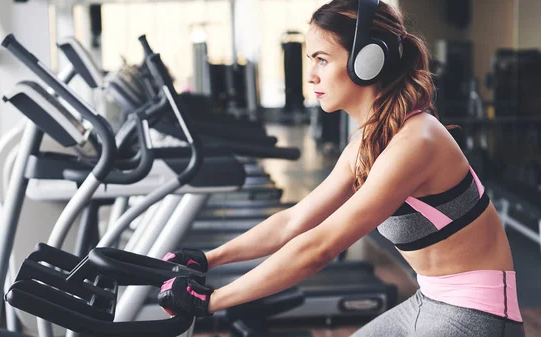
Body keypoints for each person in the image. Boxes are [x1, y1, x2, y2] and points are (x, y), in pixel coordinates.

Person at [157, 0, 525, 336]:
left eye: (322, 59)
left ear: (366, 62)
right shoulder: (368, 142)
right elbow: (293, 221)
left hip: (480, 314)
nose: (311, 76)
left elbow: (319, 247)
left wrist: (210, 301)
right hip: (427, 300)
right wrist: (208, 259)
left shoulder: (416, 142)